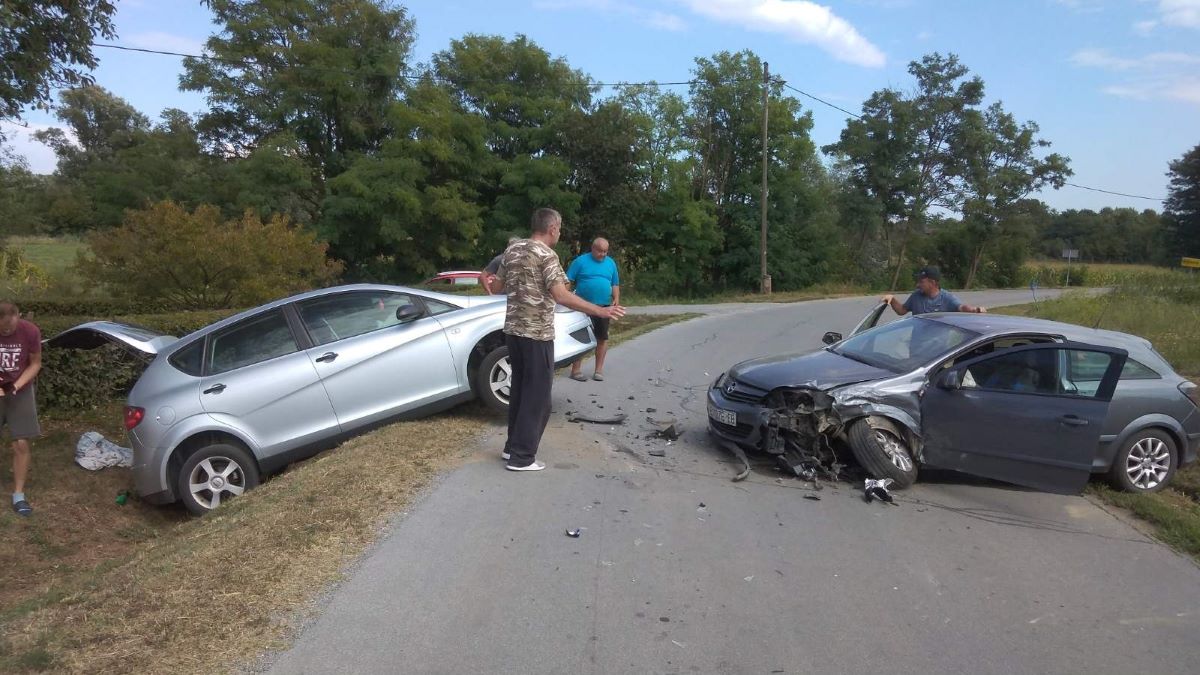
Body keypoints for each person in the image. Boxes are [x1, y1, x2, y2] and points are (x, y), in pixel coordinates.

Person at [492, 209, 626, 472]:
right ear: (552, 228)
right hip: (536, 335)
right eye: (560, 228)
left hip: (513, 333)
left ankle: (511, 449)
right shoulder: (546, 255)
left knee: (519, 391)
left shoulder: (512, 251)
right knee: (538, 397)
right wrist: (602, 310)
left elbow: (497, 288)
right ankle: (522, 458)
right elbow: (562, 296)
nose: (560, 233)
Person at [0, 302, 42, 517]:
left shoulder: (30, 331)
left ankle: (18, 494)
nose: (7, 331)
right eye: (3, 329)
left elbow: (35, 363)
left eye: (10, 328)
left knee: (21, 442)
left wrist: (15, 386)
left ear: (18, 317)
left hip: (20, 389)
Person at [567, 237, 620, 382]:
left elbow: (615, 283)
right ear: (593, 248)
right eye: (600, 251)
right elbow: (568, 280)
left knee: (602, 338)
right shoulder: (580, 261)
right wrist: (566, 298)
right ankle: (576, 370)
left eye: (605, 251)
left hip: (604, 306)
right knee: (581, 337)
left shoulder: (610, 263)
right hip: (583, 306)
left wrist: (616, 298)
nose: (603, 254)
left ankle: (598, 370)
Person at [882, 266, 987, 316]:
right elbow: (902, 310)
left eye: (921, 282)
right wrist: (892, 299)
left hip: (938, 353)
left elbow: (962, 307)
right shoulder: (916, 296)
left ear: (932, 283)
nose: (917, 284)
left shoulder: (947, 298)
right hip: (915, 347)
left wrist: (975, 310)